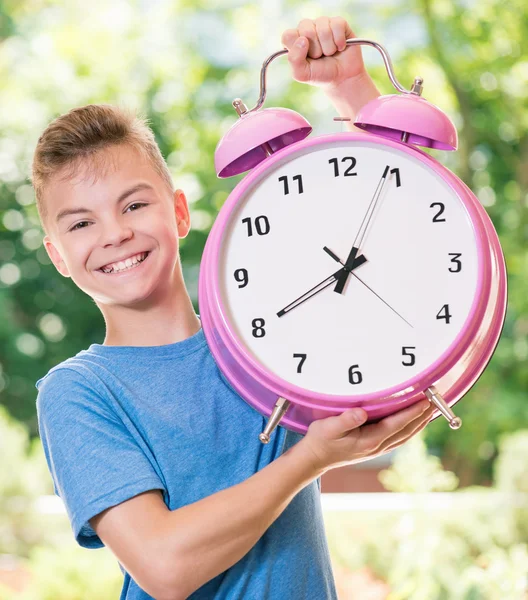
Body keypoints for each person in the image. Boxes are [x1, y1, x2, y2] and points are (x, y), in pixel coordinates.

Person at [33, 16, 435, 600]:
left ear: (177, 211)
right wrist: (309, 459)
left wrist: (348, 85)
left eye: (134, 205)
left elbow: (392, 214)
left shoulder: (270, 335)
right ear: (59, 256)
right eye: (81, 223)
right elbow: (165, 566)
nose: (114, 234)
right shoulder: (79, 392)